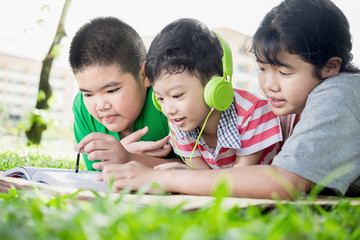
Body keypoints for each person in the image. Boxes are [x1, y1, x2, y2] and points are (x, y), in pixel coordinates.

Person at [100, 0, 360, 199]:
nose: (269, 85)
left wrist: (166, 181)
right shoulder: (296, 104)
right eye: (262, 69)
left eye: (284, 72)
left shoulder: (340, 94)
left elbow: (284, 182)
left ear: (330, 67)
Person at [144, 18, 282, 170]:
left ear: (213, 87)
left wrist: (187, 178)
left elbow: (240, 179)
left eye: (177, 95)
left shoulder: (253, 111)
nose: (169, 110)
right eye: (160, 98)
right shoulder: (178, 124)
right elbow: (205, 178)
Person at [69, 17, 179, 171]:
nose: (100, 106)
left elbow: (204, 171)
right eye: (88, 94)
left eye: (112, 90)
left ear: (145, 75)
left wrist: (129, 158)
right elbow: (98, 175)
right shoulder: (82, 108)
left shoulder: (168, 100)